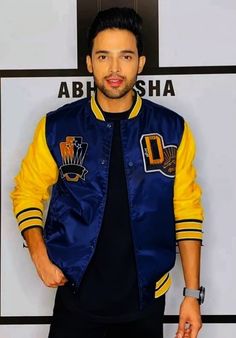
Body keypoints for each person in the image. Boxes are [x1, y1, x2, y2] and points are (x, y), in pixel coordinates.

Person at [11, 7, 204, 338]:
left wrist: (191, 294)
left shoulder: (172, 129)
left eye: (126, 56)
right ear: (90, 63)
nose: (115, 69)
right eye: (103, 56)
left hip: (145, 303)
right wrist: (40, 256)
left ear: (140, 63)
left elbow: (186, 210)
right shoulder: (57, 126)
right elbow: (27, 191)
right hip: (76, 300)